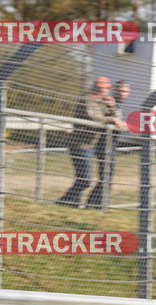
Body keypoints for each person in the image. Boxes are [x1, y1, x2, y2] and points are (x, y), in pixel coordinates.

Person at [56, 77, 124, 208]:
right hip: (80, 145)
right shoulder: (87, 100)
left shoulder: (102, 102)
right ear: (99, 88)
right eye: (106, 89)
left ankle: (69, 205)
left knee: (83, 179)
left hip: (92, 145)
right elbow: (93, 117)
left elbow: (115, 117)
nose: (108, 92)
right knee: (85, 180)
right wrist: (111, 119)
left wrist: (112, 106)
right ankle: (62, 203)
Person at [86, 80, 130, 208]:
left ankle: (97, 205)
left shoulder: (118, 104)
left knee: (107, 177)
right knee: (106, 177)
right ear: (115, 90)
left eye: (126, 91)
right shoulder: (109, 101)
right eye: (121, 91)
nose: (123, 94)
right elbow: (105, 118)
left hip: (112, 145)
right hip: (104, 144)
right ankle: (94, 205)